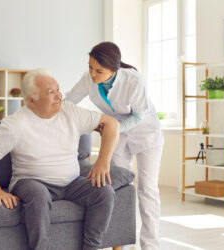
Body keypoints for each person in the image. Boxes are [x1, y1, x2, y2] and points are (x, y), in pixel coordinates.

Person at [0, 68, 120, 250]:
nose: (59, 96)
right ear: (31, 100)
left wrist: (102, 161)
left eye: (58, 89)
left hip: (72, 183)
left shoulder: (69, 111)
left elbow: (111, 123)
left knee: (104, 191)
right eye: (51, 92)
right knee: (39, 195)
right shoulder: (16, 124)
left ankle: (91, 247)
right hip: (30, 182)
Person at [64, 42, 163, 250]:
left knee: (148, 189)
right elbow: (69, 101)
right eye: (90, 67)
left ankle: (151, 245)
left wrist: (113, 128)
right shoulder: (89, 78)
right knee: (117, 186)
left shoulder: (134, 81)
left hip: (147, 135)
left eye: (99, 70)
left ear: (114, 70)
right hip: (119, 136)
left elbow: (138, 115)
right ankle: (121, 242)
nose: (92, 74)